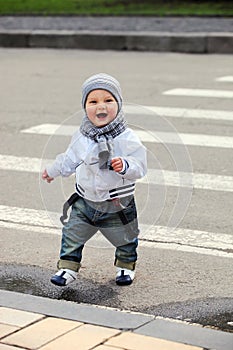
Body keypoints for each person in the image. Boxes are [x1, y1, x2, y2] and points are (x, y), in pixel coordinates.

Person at [42, 73, 147, 287]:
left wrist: (125, 165)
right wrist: (53, 170)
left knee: (126, 237)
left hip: (118, 202)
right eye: (93, 101)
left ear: (118, 104)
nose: (101, 106)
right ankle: (67, 268)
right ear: (85, 106)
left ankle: (126, 266)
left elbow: (140, 166)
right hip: (85, 200)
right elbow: (69, 159)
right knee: (72, 234)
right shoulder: (82, 136)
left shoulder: (126, 137)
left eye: (108, 100)